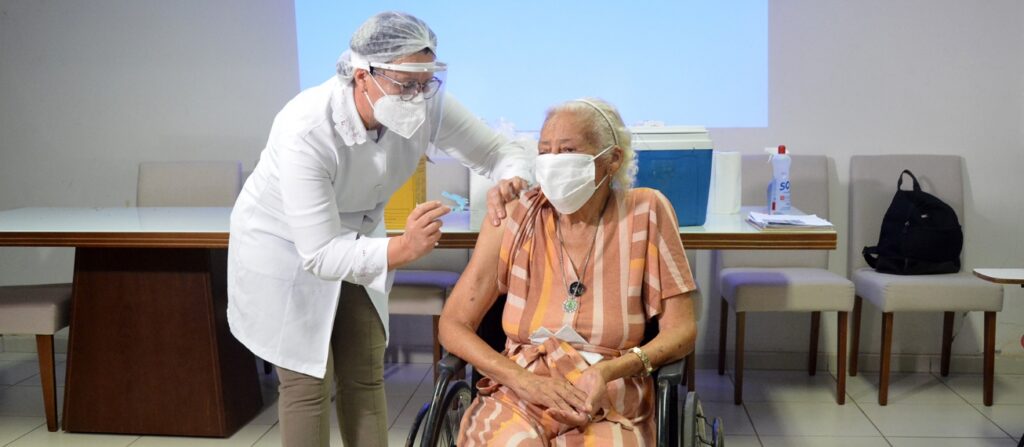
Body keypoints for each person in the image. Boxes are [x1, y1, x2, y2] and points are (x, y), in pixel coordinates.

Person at [226, 11, 532, 447]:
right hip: (287, 247)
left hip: (361, 238)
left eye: (425, 82)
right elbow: (319, 253)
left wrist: (511, 179)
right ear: (361, 75)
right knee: (307, 384)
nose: (417, 96)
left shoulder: (428, 100)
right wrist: (401, 250)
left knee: (365, 373)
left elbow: (500, 151)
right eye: (405, 83)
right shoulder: (306, 127)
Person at [439, 98, 698, 445]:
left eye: (568, 150)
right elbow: (453, 324)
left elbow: (682, 330)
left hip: (610, 392)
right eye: (545, 151)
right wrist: (520, 379)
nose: (553, 162)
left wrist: (608, 372)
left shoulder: (646, 211)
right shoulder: (514, 214)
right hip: (519, 390)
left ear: (612, 159)